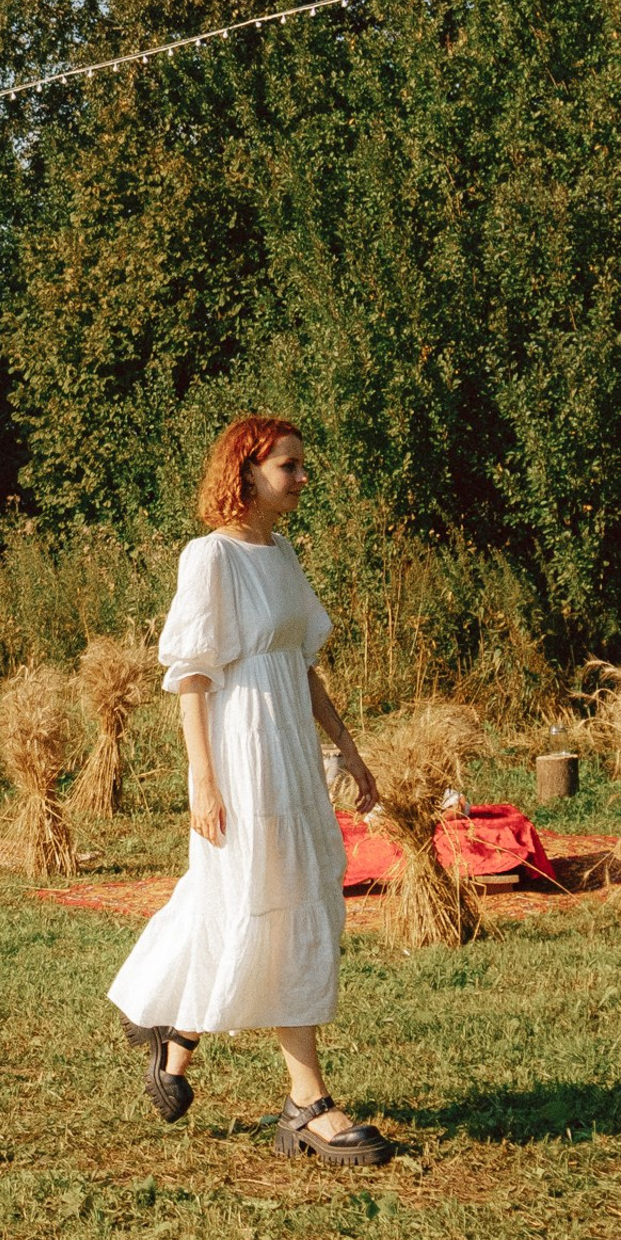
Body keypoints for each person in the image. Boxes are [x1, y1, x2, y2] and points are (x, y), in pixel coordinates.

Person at [106, 415, 400, 1166]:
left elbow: (302, 666)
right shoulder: (210, 559)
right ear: (245, 473)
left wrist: (349, 752)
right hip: (239, 754)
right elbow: (192, 679)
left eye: (303, 467)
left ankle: (175, 1034)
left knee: (278, 896)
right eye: (290, 467)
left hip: (290, 755)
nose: (303, 479)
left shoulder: (283, 554)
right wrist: (202, 780)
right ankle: (308, 1104)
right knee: (262, 900)